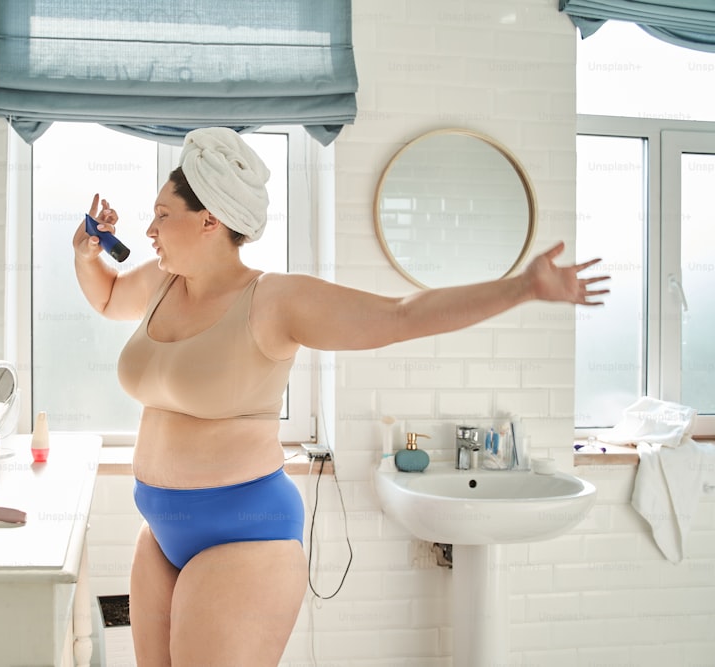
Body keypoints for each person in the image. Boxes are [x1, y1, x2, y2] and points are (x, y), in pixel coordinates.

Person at [71, 127, 609, 666]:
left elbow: (400, 316)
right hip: (160, 531)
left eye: (162, 215)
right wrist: (87, 255)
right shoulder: (160, 284)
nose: (149, 229)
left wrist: (524, 287)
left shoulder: (274, 300)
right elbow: (109, 296)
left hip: (243, 536)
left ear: (210, 219)